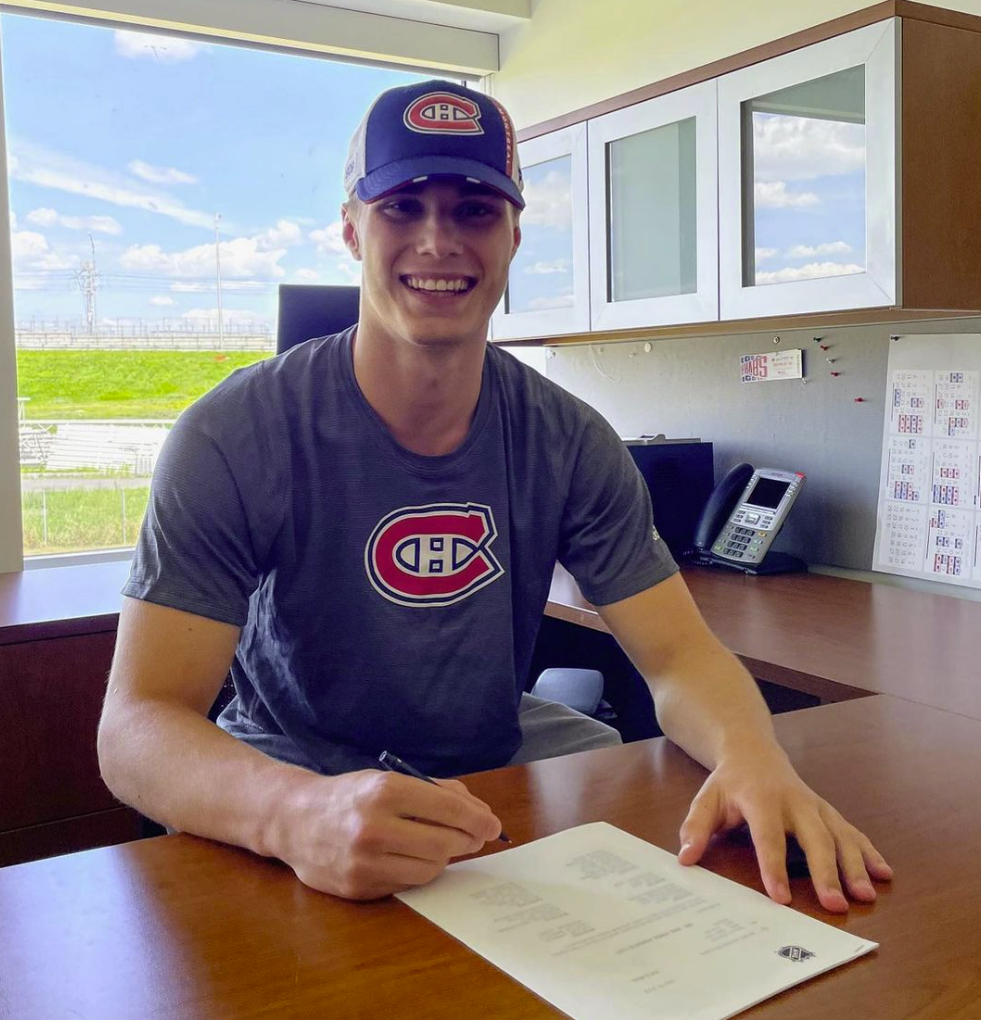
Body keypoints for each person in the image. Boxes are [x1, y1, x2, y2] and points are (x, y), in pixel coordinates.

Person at [98, 80, 892, 909]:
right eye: (403, 207)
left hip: (482, 789)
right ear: (350, 230)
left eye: (475, 211)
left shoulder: (568, 437)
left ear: (513, 236)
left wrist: (751, 756)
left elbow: (679, 657)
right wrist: (291, 813)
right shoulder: (235, 433)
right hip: (284, 784)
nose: (438, 241)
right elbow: (138, 726)